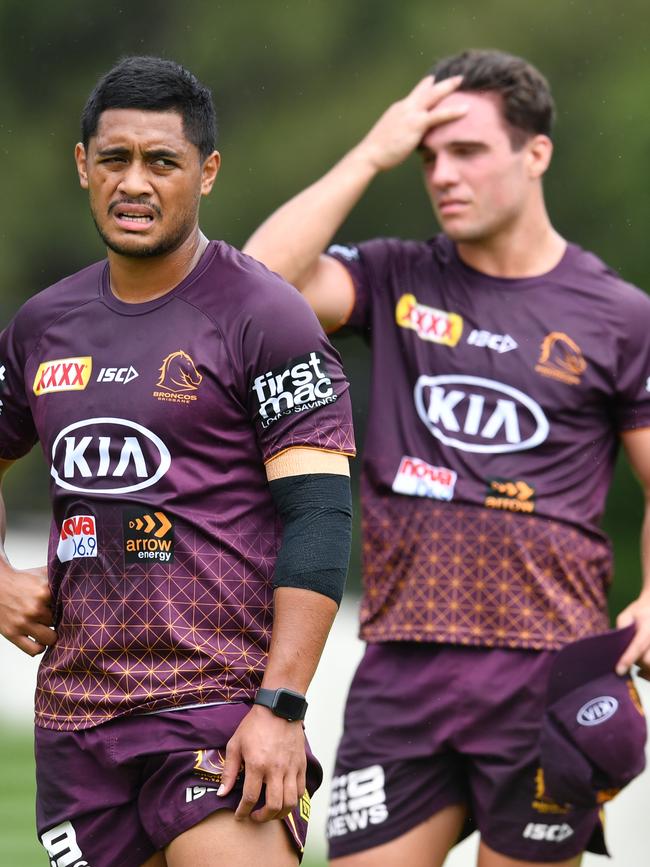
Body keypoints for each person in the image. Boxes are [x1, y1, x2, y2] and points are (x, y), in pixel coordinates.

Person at [243, 49, 650, 867]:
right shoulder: (399, 274)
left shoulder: (620, 315)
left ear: (535, 154)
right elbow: (256, 285)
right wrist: (370, 152)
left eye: (467, 151)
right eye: (428, 156)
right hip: (402, 676)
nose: (442, 174)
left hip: (547, 677)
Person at [0, 55, 356, 867]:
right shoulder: (41, 325)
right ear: (82, 164)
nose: (135, 182)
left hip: (218, 709)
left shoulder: (266, 314)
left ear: (207, 172)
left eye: (162, 161)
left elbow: (320, 516)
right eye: (115, 158)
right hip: (76, 722)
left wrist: (281, 705)